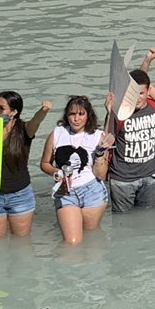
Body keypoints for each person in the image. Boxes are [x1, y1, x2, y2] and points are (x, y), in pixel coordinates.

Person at [0, 90, 50, 237]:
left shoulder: (24, 130)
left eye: (1, 108)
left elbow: (36, 121)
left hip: (20, 195)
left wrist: (43, 110)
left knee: (22, 245)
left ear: (13, 112)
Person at [44, 95, 108, 244]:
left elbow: (101, 175)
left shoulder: (97, 136)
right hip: (66, 191)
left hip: (92, 191)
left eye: (81, 114)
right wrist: (56, 173)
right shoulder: (57, 134)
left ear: (88, 116)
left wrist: (100, 154)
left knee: (91, 240)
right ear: (67, 115)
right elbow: (45, 163)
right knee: (72, 242)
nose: (76, 118)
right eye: (72, 114)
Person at [104, 53, 155, 212]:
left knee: (147, 221)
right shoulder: (119, 111)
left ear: (148, 93)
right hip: (122, 180)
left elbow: (142, 80)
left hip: (150, 176)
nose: (137, 97)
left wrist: (147, 61)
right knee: (122, 224)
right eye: (133, 93)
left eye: (141, 93)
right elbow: (106, 141)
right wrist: (109, 113)